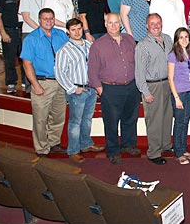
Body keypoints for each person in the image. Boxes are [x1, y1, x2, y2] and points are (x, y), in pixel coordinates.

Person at [88, 13, 141, 165]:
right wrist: (100, 90)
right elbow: (92, 70)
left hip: (131, 87)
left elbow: (137, 62)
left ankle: (128, 145)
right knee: (111, 122)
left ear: (120, 24)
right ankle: (113, 151)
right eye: (110, 23)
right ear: (105, 24)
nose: (113, 25)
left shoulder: (130, 40)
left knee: (130, 118)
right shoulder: (98, 45)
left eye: (116, 22)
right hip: (110, 89)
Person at [54, 18, 104, 163]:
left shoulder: (90, 45)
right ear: (68, 32)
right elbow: (60, 72)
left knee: (87, 119)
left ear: (82, 29)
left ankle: (86, 144)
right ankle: (73, 150)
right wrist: (72, 88)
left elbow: (97, 66)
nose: (77, 32)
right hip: (77, 90)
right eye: (73, 29)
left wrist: (96, 84)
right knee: (75, 122)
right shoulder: (64, 50)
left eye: (79, 29)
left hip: (91, 88)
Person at [20, 8, 68, 157]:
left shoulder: (61, 35)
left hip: (60, 82)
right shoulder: (31, 39)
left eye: (51, 18)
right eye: (45, 18)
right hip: (43, 83)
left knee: (58, 116)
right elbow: (26, 64)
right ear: (39, 20)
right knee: (40, 119)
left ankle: (54, 143)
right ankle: (41, 148)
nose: (48, 21)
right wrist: (35, 85)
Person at [135, 13, 174, 165]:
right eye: (153, 23)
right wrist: (145, 92)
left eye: (158, 22)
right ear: (147, 26)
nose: (156, 25)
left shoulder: (168, 39)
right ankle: (154, 152)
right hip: (152, 85)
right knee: (154, 120)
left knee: (166, 116)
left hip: (167, 83)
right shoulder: (142, 45)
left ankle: (165, 145)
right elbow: (139, 72)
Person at [167, 27, 190, 164]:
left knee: (186, 122)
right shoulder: (172, 55)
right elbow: (170, 77)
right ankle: (178, 152)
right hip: (179, 92)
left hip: (189, 91)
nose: (184, 40)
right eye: (181, 37)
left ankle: (184, 149)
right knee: (179, 123)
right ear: (176, 40)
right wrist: (176, 97)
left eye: (186, 37)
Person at [18, 0, 46, 92]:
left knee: (40, 60)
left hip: (43, 32)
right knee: (29, 60)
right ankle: (29, 87)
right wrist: (40, 29)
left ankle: (40, 84)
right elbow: (26, 17)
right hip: (30, 32)